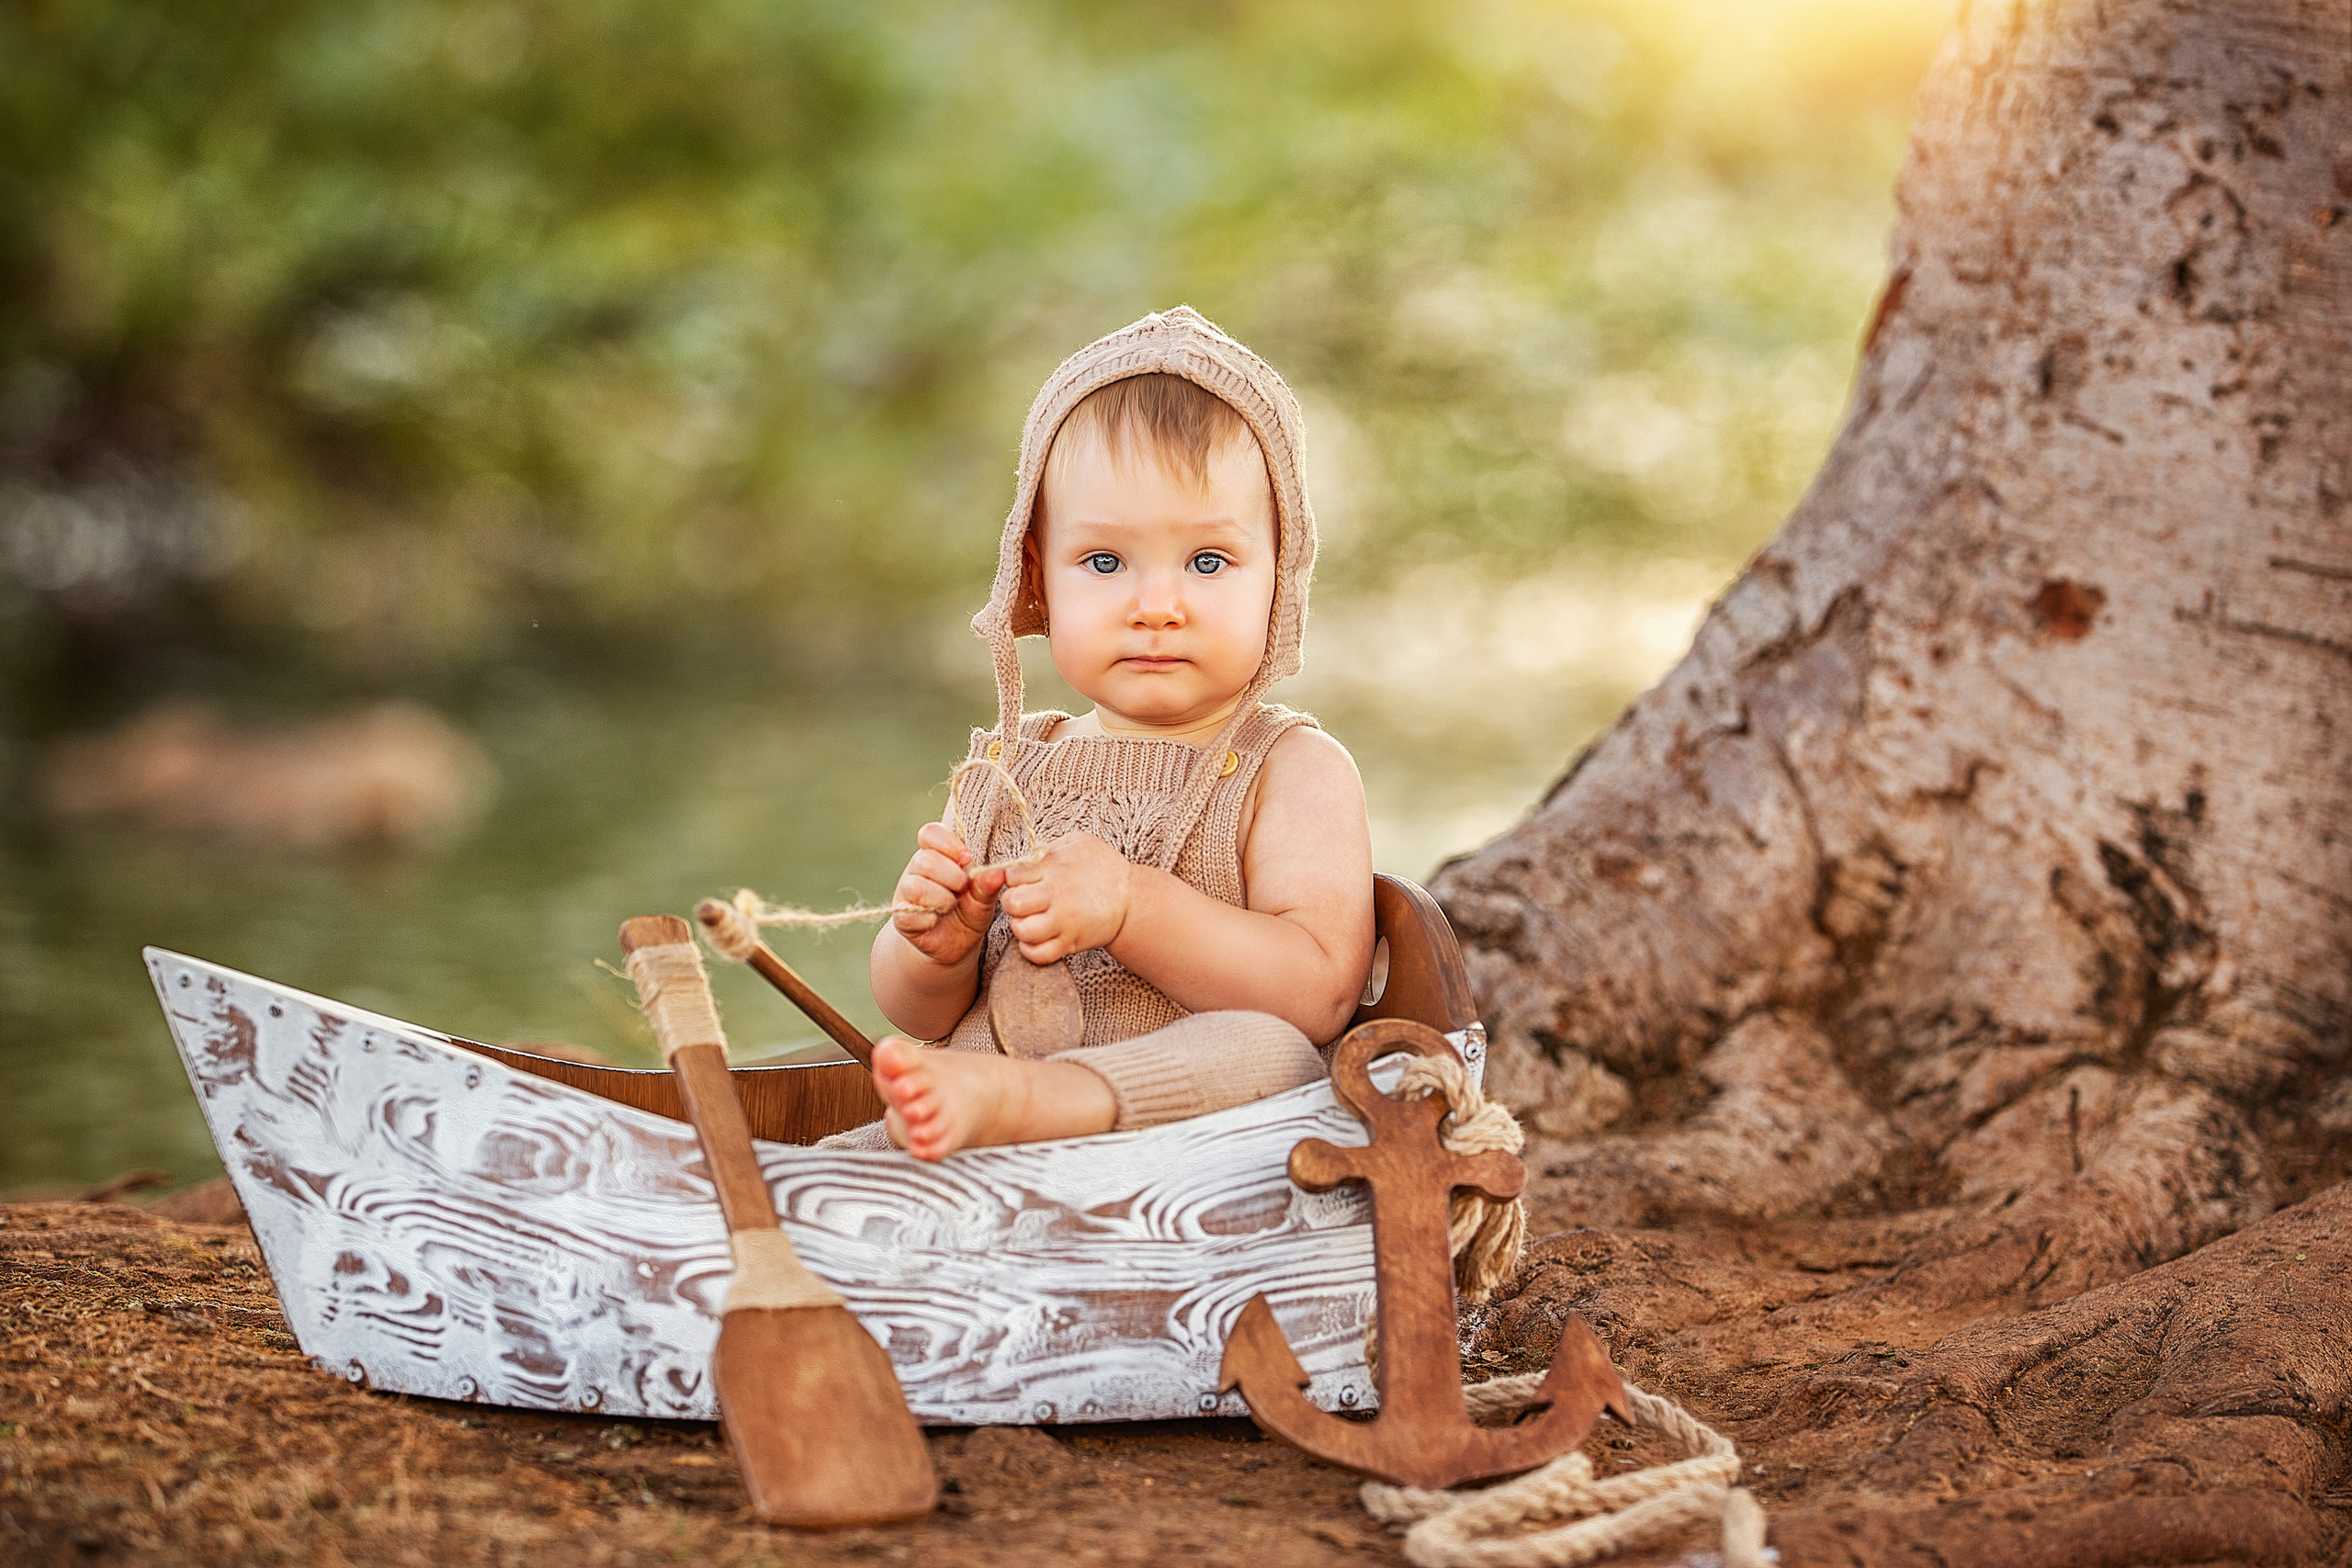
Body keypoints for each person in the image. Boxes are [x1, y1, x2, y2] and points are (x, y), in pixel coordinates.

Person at [830, 308, 1376, 1160]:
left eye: (1207, 561)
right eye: (1105, 562)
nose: (1154, 604)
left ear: (1281, 576)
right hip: (980, 1132)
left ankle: (1039, 1100)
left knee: (1275, 1051)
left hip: (1184, 1155)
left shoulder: (1292, 767)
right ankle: (964, 1124)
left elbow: (1319, 995)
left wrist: (1133, 906)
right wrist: (931, 949)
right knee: (836, 1152)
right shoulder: (1009, 770)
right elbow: (919, 1013)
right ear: (1037, 577)